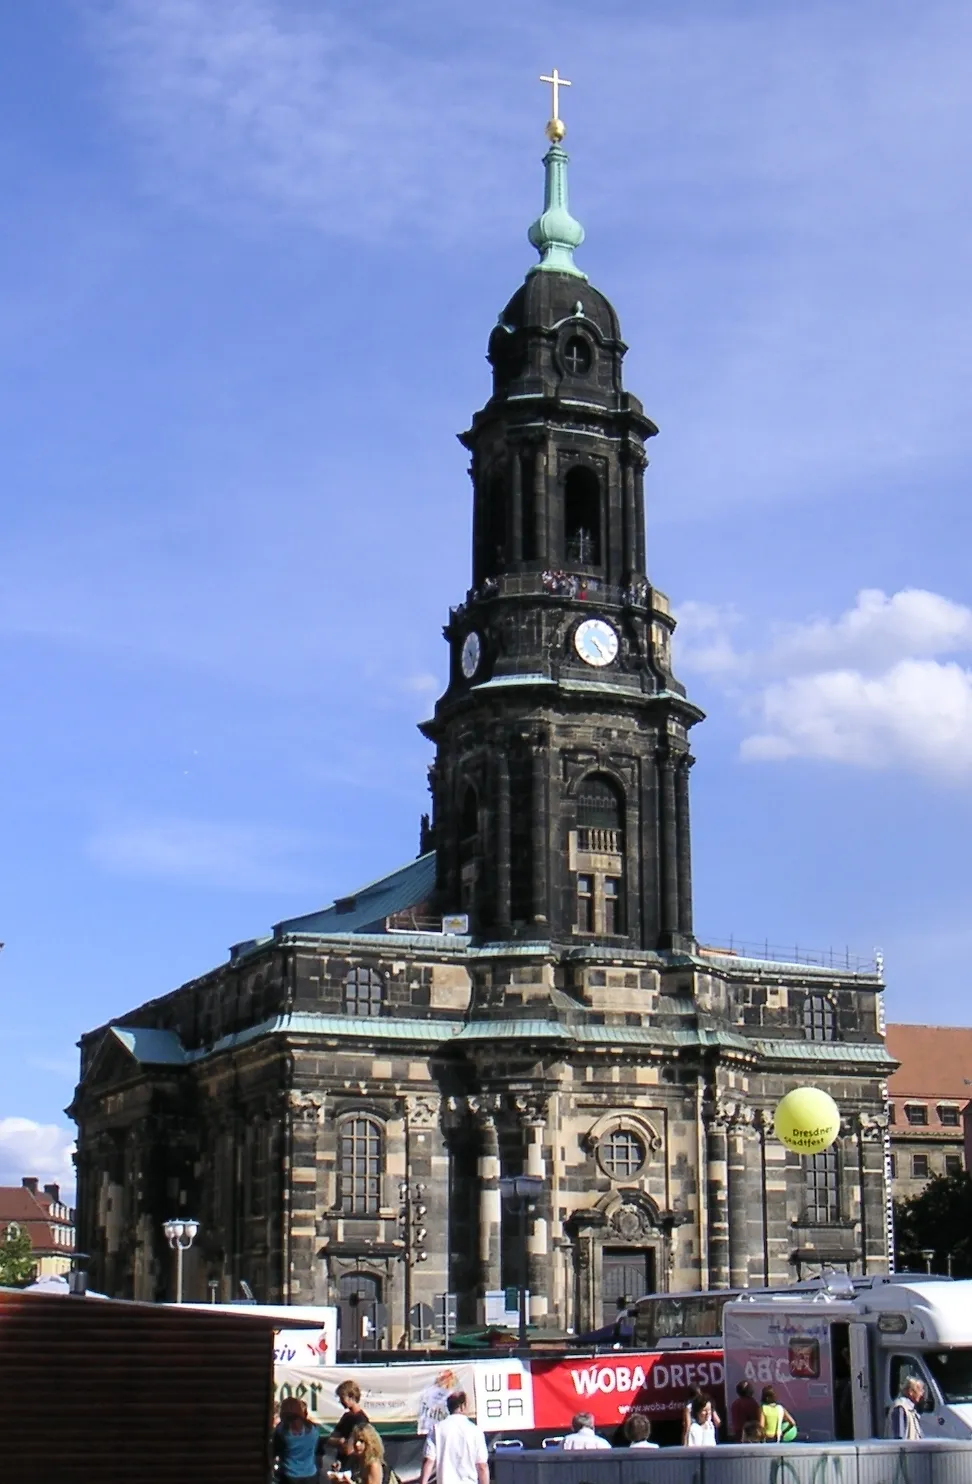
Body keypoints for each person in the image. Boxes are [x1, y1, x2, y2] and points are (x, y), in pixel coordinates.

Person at [418, 1392, 488, 1484]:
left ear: (448, 1407)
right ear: (463, 1406)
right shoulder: (476, 1431)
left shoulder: (437, 1429)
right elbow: (482, 1466)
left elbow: (429, 1460)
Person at [274, 1397, 326, 1483]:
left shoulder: (282, 1431)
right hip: (311, 1475)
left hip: (289, 1476)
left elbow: (275, 1451)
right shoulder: (314, 1429)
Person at [328, 1381, 371, 1462]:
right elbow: (330, 1439)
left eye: (342, 1398)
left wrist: (340, 1442)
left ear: (351, 1397)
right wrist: (340, 1441)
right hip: (341, 1463)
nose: (340, 1401)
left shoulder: (361, 1420)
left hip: (353, 1465)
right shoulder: (346, 1417)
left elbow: (349, 1450)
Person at [887, 1376, 925, 1440]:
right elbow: (899, 1439)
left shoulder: (911, 1409)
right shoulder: (900, 1408)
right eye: (920, 1390)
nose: (922, 1394)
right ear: (911, 1392)